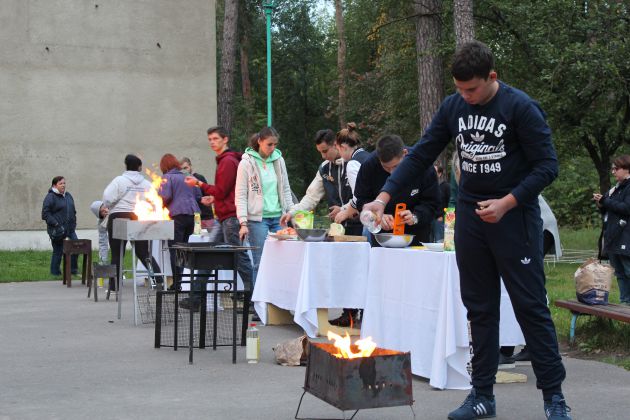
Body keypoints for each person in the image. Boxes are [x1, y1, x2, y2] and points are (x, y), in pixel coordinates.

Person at [363, 41, 571, 419]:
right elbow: (421, 154)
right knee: (479, 309)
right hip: (472, 220)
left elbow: (547, 166)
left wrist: (507, 202)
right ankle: (481, 395)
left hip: (515, 219)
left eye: (472, 89)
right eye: (459, 89)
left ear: (492, 76)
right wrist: (382, 197)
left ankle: (554, 397)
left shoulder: (520, 108)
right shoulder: (453, 107)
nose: (466, 96)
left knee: (530, 307)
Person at [184, 126, 254, 313]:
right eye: (210, 139)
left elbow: (222, 191)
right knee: (208, 256)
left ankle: (253, 301)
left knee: (240, 258)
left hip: (230, 217)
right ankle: (195, 298)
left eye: (215, 138)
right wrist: (214, 198)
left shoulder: (228, 161)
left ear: (225, 139)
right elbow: (226, 191)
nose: (212, 142)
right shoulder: (226, 160)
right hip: (225, 216)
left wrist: (199, 184)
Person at [355, 134, 441, 246]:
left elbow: (432, 203)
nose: (392, 173)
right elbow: (361, 200)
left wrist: (416, 216)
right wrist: (376, 216)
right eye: (386, 167)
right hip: (383, 238)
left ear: (405, 153)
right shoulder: (369, 166)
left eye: (396, 166)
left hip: (416, 236)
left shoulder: (423, 165)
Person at [235, 126, 293, 285]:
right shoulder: (246, 163)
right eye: (269, 144)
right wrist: (243, 222)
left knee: (283, 261)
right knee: (260, 262)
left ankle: (280, 298)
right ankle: (259, 299)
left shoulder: (279, 160)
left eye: (275, 144)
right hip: (257, 221)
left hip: (279, 218)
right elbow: (240, 194)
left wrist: (291, 211)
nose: (272, 148)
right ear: (260, 141)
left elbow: (286, 189)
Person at [279, 126, 362, 235]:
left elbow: (362, 196)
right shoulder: (324, 168)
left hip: (359, 224)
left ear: (336, 145)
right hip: (335, 227)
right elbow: (311, 197)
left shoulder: (354, 163)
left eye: (325, 151)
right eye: (320, 152)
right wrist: (292, 212)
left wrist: (343, 209)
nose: (323, 156)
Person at [102, 154, 163, 293]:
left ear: (126, 166)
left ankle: (114, 286)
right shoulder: (146, 183)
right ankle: (159, 280)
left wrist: (111, 206)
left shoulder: (119, 181)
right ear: (140, 167)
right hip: (138, 217)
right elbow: (154, 201)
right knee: (143, 252)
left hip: (118, 217)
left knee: (117, 253)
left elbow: (107, 198)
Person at [158, 153, 201, 290]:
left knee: (175, 250)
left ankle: (177, 284)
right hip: (191, 215)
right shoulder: (188, 176)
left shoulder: (167, 177)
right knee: (183, 249)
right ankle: (181, 282)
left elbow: (166, 196)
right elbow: (198, 195)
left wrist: (159, 204)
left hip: (176, 216)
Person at [593, 155, 630, 306]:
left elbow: (627, 208)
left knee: (628, 271)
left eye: (616, 168)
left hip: (626, 237)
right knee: (620, 273)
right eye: (612, 169)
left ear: (627, 169)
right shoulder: (616, 189)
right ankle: (625, 304)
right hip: (613, 236)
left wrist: (605, 201)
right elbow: (610, 210)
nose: (613, 172)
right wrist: (601, 204)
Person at [332, 123, 372, 231]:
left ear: (343, 147)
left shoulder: (352, 164)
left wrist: (345, 212)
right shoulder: (368, 156)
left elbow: (358, 196)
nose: (339, 154)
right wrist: (343, 208)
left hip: (370, 216)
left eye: (338, 150)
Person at [41, 176, 79, 277]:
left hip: (70, 229)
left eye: (64, 183)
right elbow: (45, 214)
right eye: (60, 183)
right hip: (57, 229)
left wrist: (74, 223)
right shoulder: (50, 197)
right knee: (58, 251)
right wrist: (56, 224)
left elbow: (73, 210)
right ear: (54, 185)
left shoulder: (68, 195)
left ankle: (73, 270)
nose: (63, 185)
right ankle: (55, 273)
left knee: (76, 247)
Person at [180, 157, 221, 239]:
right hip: (194, 218)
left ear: (190, 166)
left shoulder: (199, 178)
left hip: (205, 217)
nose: (184, 171)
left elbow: (208, 196)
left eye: (186, 168)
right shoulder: (183, 180)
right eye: (182, 169)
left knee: (208, 240)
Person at [432, 163, 451, 242]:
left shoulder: (446, 186)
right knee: (427, 243)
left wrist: (442, 216)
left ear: (439, 174)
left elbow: (450, 203)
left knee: (439, 241)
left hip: (440, 220)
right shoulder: (428, 186)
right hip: (428, 219)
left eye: (434, 172)